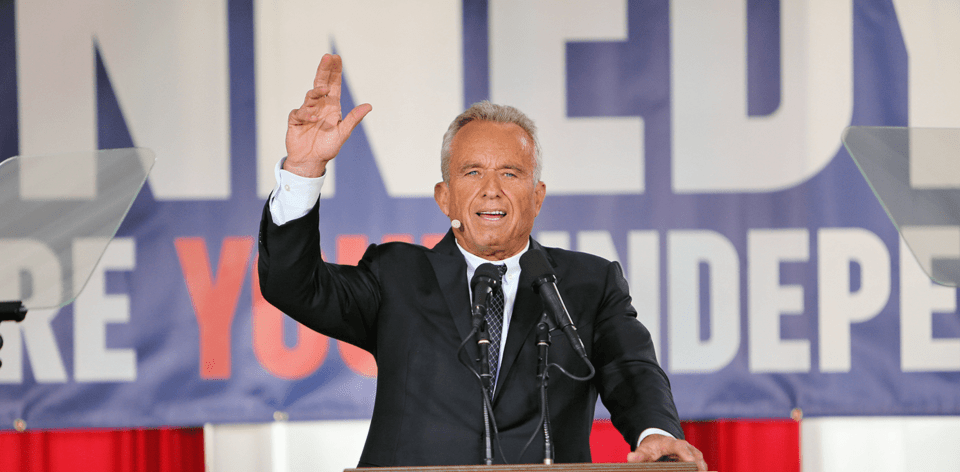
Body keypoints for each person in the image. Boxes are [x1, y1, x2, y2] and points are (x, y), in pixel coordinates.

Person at [258, 54, 706, 469]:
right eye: (472, 172)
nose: (491, 189)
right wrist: (303, 170)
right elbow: (292, 285)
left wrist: (657, 431)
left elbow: (631, 369)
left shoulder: (589, 283)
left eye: (510, 173)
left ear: (537, 197)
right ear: (445, 197)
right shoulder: (397, 275)